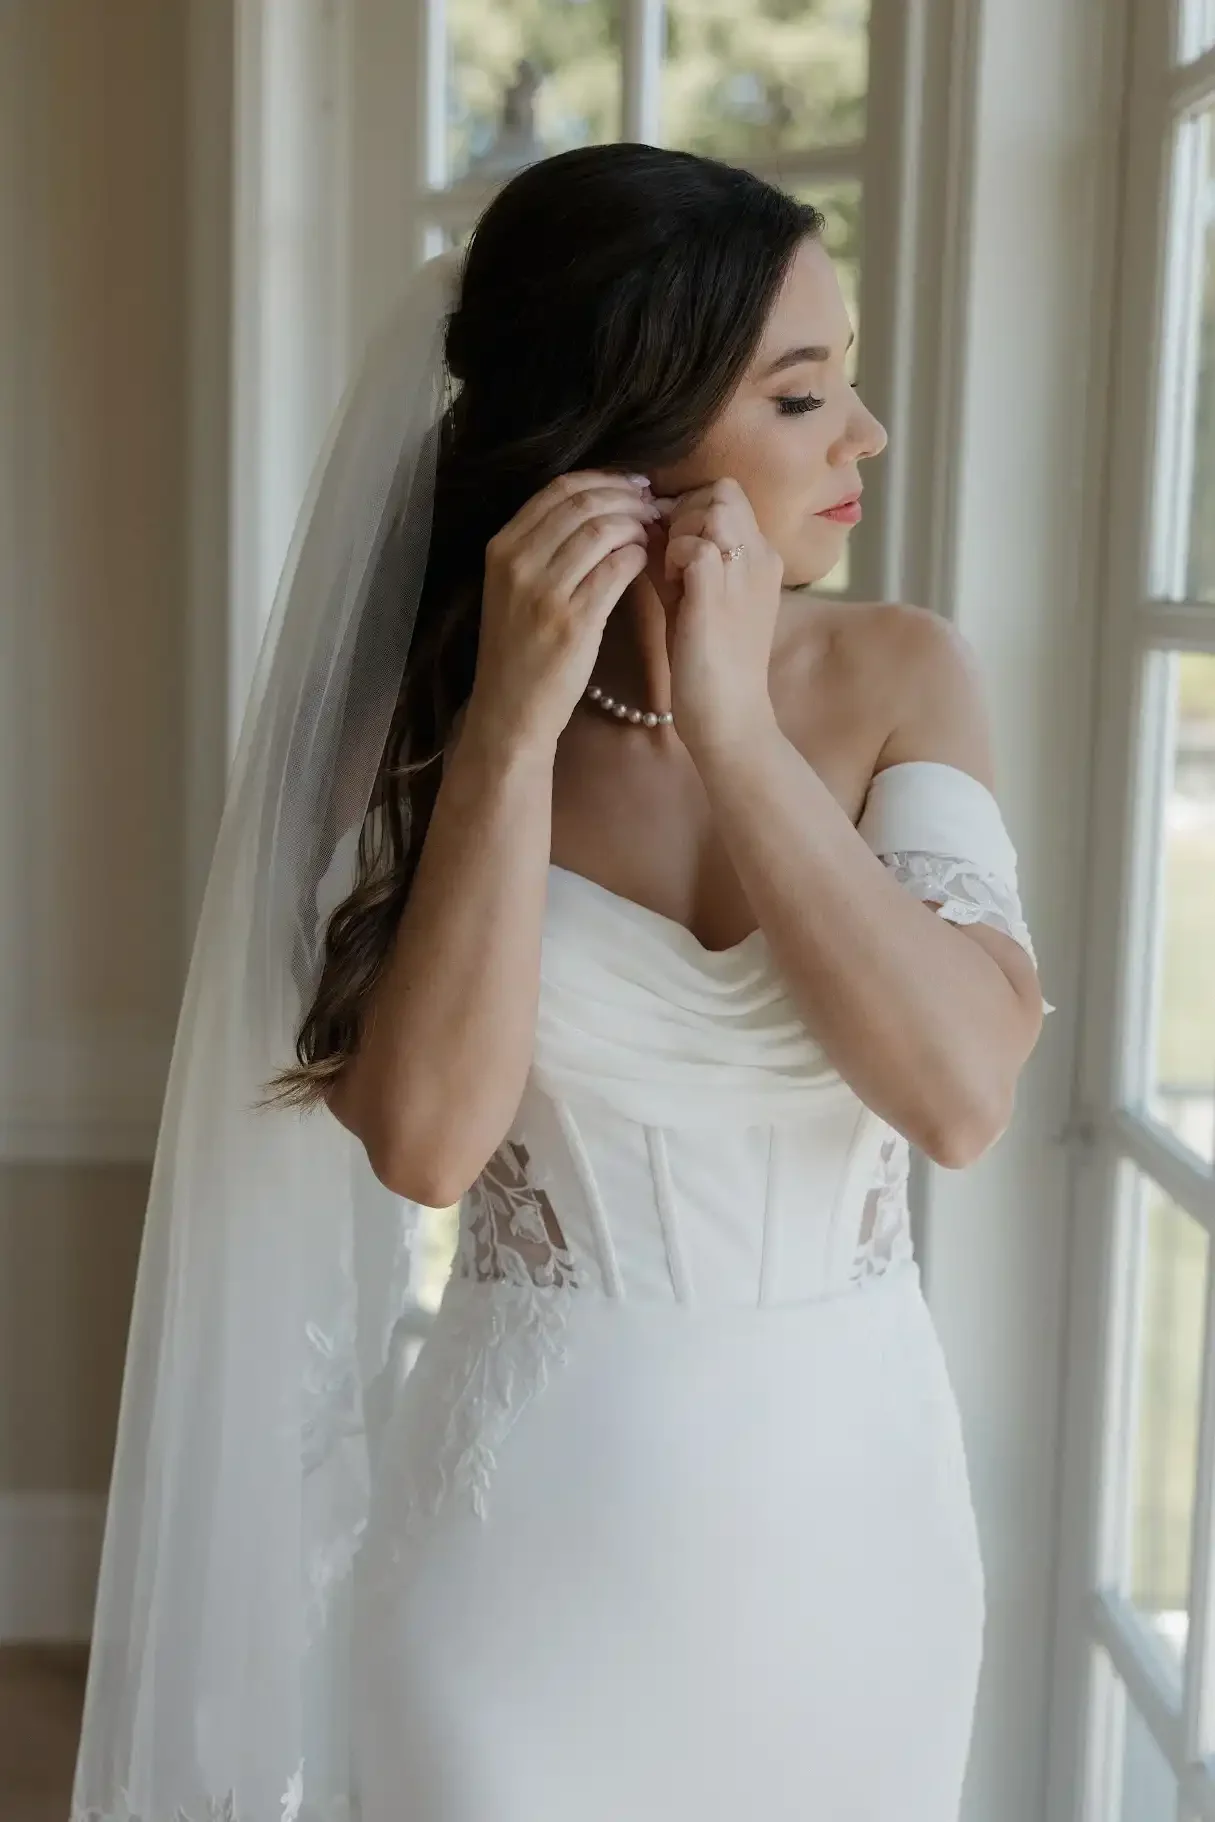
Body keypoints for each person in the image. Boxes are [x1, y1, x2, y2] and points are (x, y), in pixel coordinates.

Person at [71, 143, 1054, 1822]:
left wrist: (732, 722)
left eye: (850, 388)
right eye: (805, 398)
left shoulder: (902, 675)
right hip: (515, 1566)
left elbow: (958, 1093)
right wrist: (511, 728)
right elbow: (427, 1146)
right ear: (632, 437)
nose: (863, 441)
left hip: (857, 1554)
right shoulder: (428, 715)